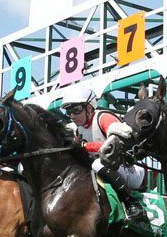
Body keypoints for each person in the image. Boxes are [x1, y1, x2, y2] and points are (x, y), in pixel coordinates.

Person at [61, 83, 145, 224]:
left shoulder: (103, 118)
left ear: (89, 107)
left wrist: (84, 146)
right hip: (109, 170)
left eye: (76, 110)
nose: (72, 116)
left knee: (97, 163)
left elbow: (117, 144)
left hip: (132, 169)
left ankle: (132, 203)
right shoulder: (78, 130)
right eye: (68, 112)